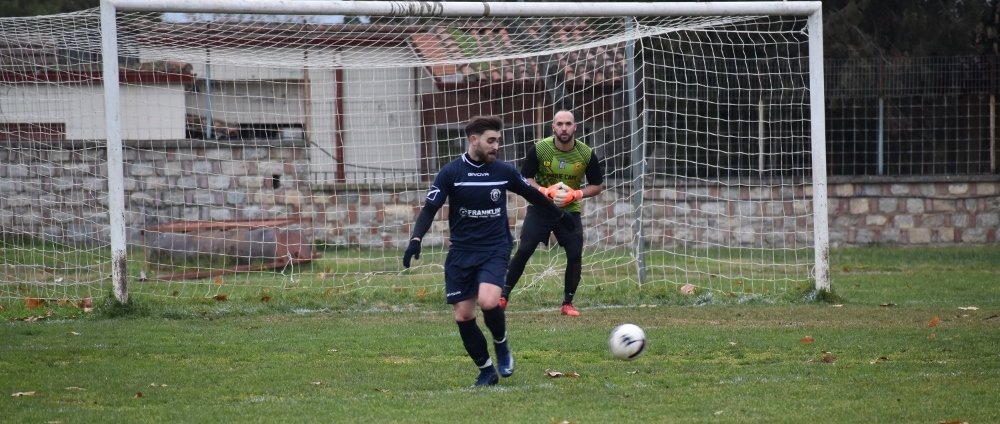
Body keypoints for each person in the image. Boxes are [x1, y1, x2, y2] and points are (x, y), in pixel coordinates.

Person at [402, 115, 577, 387]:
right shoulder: (451, 173)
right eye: (491, 141)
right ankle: (486, 370)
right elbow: (429, 209)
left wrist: (561, 217)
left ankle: (501, 344)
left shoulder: (503, 171)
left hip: (495, 247)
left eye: (498, 141)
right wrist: (415, 239)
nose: (496, 146)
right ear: (474, 140)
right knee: (463, 315)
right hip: (461, 252)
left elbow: (532, 195)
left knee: (488, 300)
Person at [500, 110, 604, 317]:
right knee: (525, 249)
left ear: (575, 127)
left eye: (568, 124)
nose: (564, 128)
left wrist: (576, 194)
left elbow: (597, 185)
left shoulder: (586, 153)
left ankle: (567, 303)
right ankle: (503, 296)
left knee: (575, 255)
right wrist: (544, 191)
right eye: (560, 124)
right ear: (553, 127)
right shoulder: (539, 149)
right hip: (540, 208)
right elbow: (525, 178)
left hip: (570, 211)